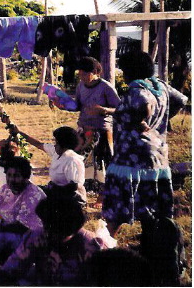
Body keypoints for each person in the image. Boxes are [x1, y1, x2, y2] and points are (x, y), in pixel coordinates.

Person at [102, 51, 188, 237]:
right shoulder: (161, 86)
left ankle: (106, 244)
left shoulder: (136, 90)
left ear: (130, 71)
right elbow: (182, 100)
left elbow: (142, 104)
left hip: (131, 157)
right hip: (157, 154)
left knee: (118, 207)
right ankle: (152, 245)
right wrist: (160, 121)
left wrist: (139, 121)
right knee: (152, 206)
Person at [0, 195, 106, 286]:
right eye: (46, 226)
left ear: (70, 229)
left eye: (54, 230)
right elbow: (10, 270)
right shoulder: (36, 236)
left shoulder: (90, 247)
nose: (47, 233)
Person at [55, 56, 120, 191]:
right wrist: (62, 105)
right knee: (82, 163)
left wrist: (103, 110)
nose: (82, 77)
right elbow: (78, 105)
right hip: (84, 130)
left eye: (85, 74)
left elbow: (120, 109)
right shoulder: (81, 86)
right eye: (80, 74)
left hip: (101, 131)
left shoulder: (106, 87)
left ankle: (104, 195)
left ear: (96, 72)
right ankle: (86, 190)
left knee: (103, 164)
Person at [11, 124, 86, 202]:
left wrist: (51, 191)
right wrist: (19, 133)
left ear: (63, 144)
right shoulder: (56, 152)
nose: (54, 145)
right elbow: (38, 144)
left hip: (70, 199)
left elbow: (74, 187)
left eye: (56, 143)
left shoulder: (72, 160)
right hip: (57, 193)